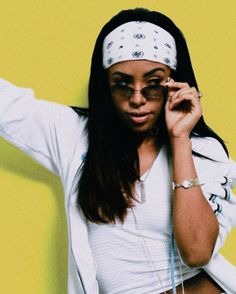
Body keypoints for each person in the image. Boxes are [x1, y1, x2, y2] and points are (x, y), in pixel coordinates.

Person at [0, 7, 236, 294]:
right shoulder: (73, 135)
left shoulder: (202, 151)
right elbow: (8, 106)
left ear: (173, 83)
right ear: (105, 86)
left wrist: (180, 139)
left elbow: (197, 252)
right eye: (122, 85)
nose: (137, 99)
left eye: (153, 85)